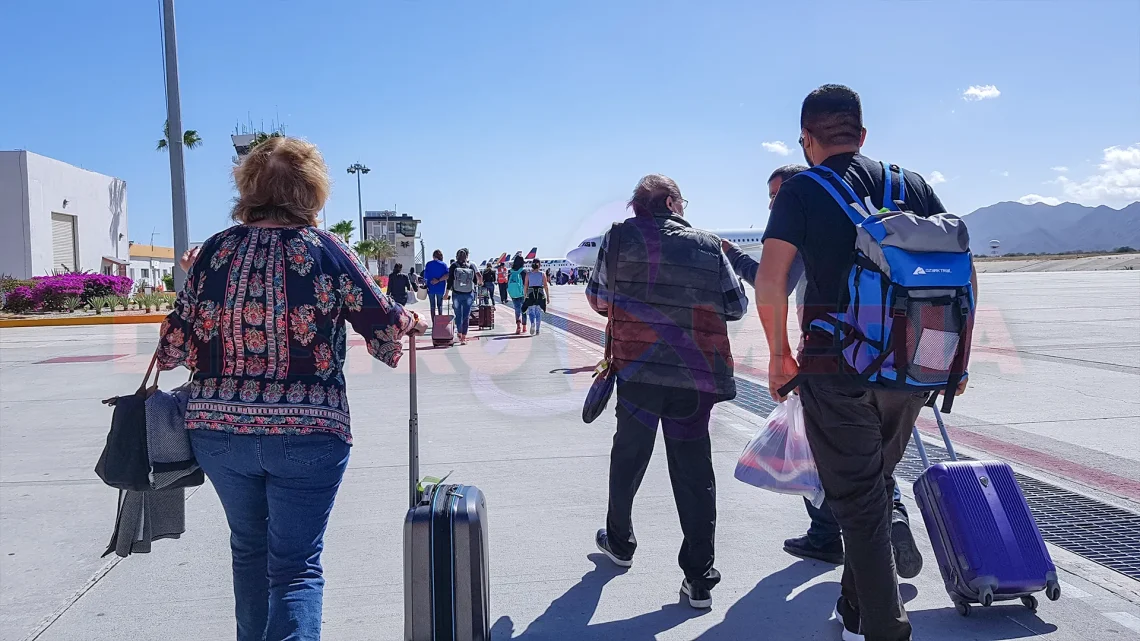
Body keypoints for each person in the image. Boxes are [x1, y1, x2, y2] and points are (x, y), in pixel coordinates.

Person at [155, 136, 427, 641]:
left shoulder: (213, 250)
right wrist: (409, 319)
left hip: (219, 432)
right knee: (296, 567)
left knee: (248, 553)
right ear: (312, 190)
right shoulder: (325, 251)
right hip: (309, 432)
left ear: (248, 187)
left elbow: (171, 347)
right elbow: (385, 329)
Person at [758, 84, 972, 641]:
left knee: (857, 502)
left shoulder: (802, 188)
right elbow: (961, 270)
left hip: (838, 370)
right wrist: (954, 361)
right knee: (872, 488)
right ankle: (855, 614)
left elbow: (771, 279)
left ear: (807, 139)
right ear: (862, 134)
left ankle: (884, 627)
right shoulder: (912, 184)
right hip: (912, 370)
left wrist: (780, 357)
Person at [724, 165, 923, 578]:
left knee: (819, 452)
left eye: (777, 193)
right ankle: (883, 521)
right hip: (889, 355)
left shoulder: (805, 218)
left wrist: (732, 256)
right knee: (870, 456)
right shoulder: (868, 215)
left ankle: (839, 541)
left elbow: (770, 279)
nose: (774, 203)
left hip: (830, 358)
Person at [587, 174, 747, 610]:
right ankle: (698, 577)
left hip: (638, 371)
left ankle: (619, 542)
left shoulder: (616, 239)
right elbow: (735, 306)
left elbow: (599, 297)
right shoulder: (707, 243)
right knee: (694, 472)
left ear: (637, 207)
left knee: (628, 457)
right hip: (695, 376)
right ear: (674, 203)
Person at [447, 248, 480, 345]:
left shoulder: (453, 266)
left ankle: (459, 334)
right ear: (466, 257)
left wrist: (446, 293)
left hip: (457, 293)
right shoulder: (471, 266)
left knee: (458, 315)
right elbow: (475, 281)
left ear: (456, 256)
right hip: (469, 294)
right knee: (466, 316)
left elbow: (450, 280)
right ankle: (464, 338)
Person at [519, 258, 550, 335]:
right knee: (538, 313)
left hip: (531, 294)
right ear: (539, 265)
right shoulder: (542, 274)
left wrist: (525, 294)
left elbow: (525, 285)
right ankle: (537, 330)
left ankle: (532, 323)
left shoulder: (528, 274)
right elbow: (545, 286)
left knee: (531, 312)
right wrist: (548, 297)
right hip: (539, 294)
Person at [423, 250, 449, 320]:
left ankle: (433, 322)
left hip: (430, 287)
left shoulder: (428, 264)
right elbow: (447, 275)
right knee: (440, 305)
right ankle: (440, 321)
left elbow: (425, 276)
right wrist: (439, 280)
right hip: (440, 288)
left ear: (433, 256)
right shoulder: (443, 265)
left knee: (432, 306)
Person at [507, 255, 528, 334]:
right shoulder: (524, 271)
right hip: (522, 293)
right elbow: (526, 284)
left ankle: (518, 325)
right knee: (524, 310)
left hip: (513, 294)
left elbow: (508, 282)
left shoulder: (510, 271)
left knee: (517, 309)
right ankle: (524, 327)